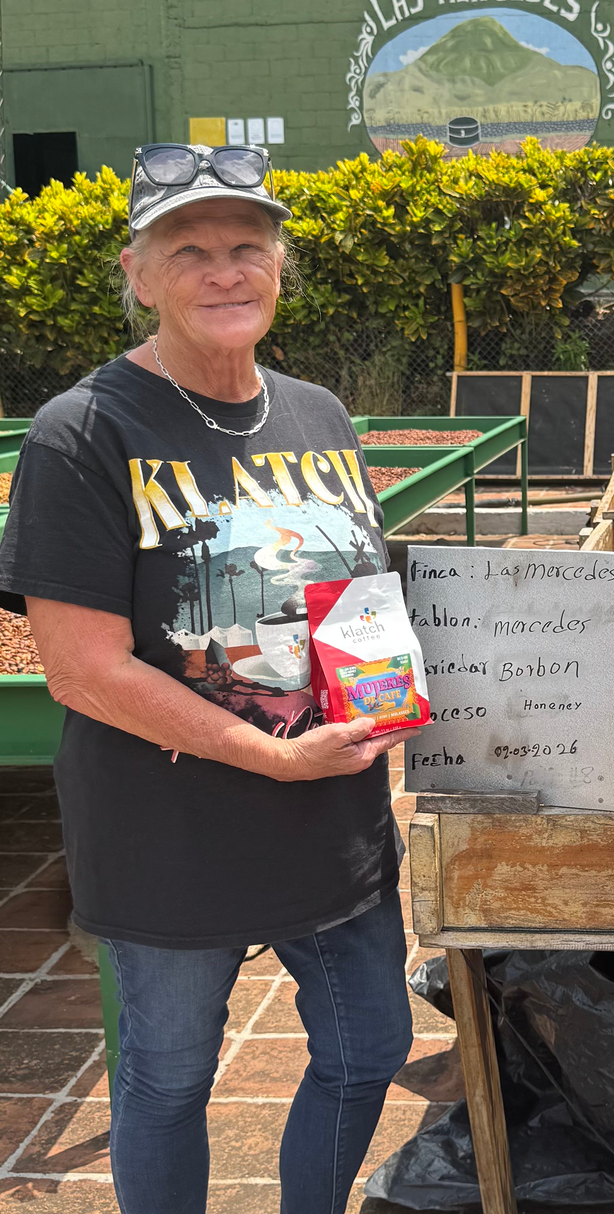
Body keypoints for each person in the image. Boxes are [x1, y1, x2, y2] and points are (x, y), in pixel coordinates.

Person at [0, 145, 412, 1214]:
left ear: (278, 266)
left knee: (370, 1046)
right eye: (190, 250)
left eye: (246, 246)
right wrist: (269, 755)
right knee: (171, 1075)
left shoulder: (319, 413)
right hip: (170, 834)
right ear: (139, 274)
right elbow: (83, 671)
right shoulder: (83, 433)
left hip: (333, 815)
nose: (225, 270)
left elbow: (362, 602)